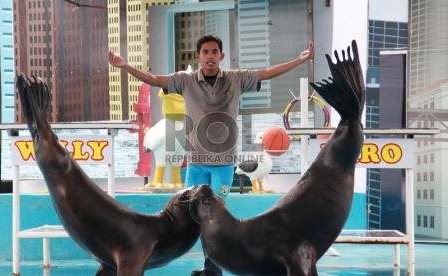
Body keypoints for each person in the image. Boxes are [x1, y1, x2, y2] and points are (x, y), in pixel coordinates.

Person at [109, 35, 314, 276]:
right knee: (188, 217)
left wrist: (299, 61)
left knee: (216, 220)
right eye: (205, 52)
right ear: (198, 57)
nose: (210, 56)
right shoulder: (185, 81)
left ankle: (213, 267)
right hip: (196, 163)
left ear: (221, 56)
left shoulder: (236, 79)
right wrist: (124, 66)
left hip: (223, 165)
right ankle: (168, 258)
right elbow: (154, 80)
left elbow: (267, 73)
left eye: (214, 52)